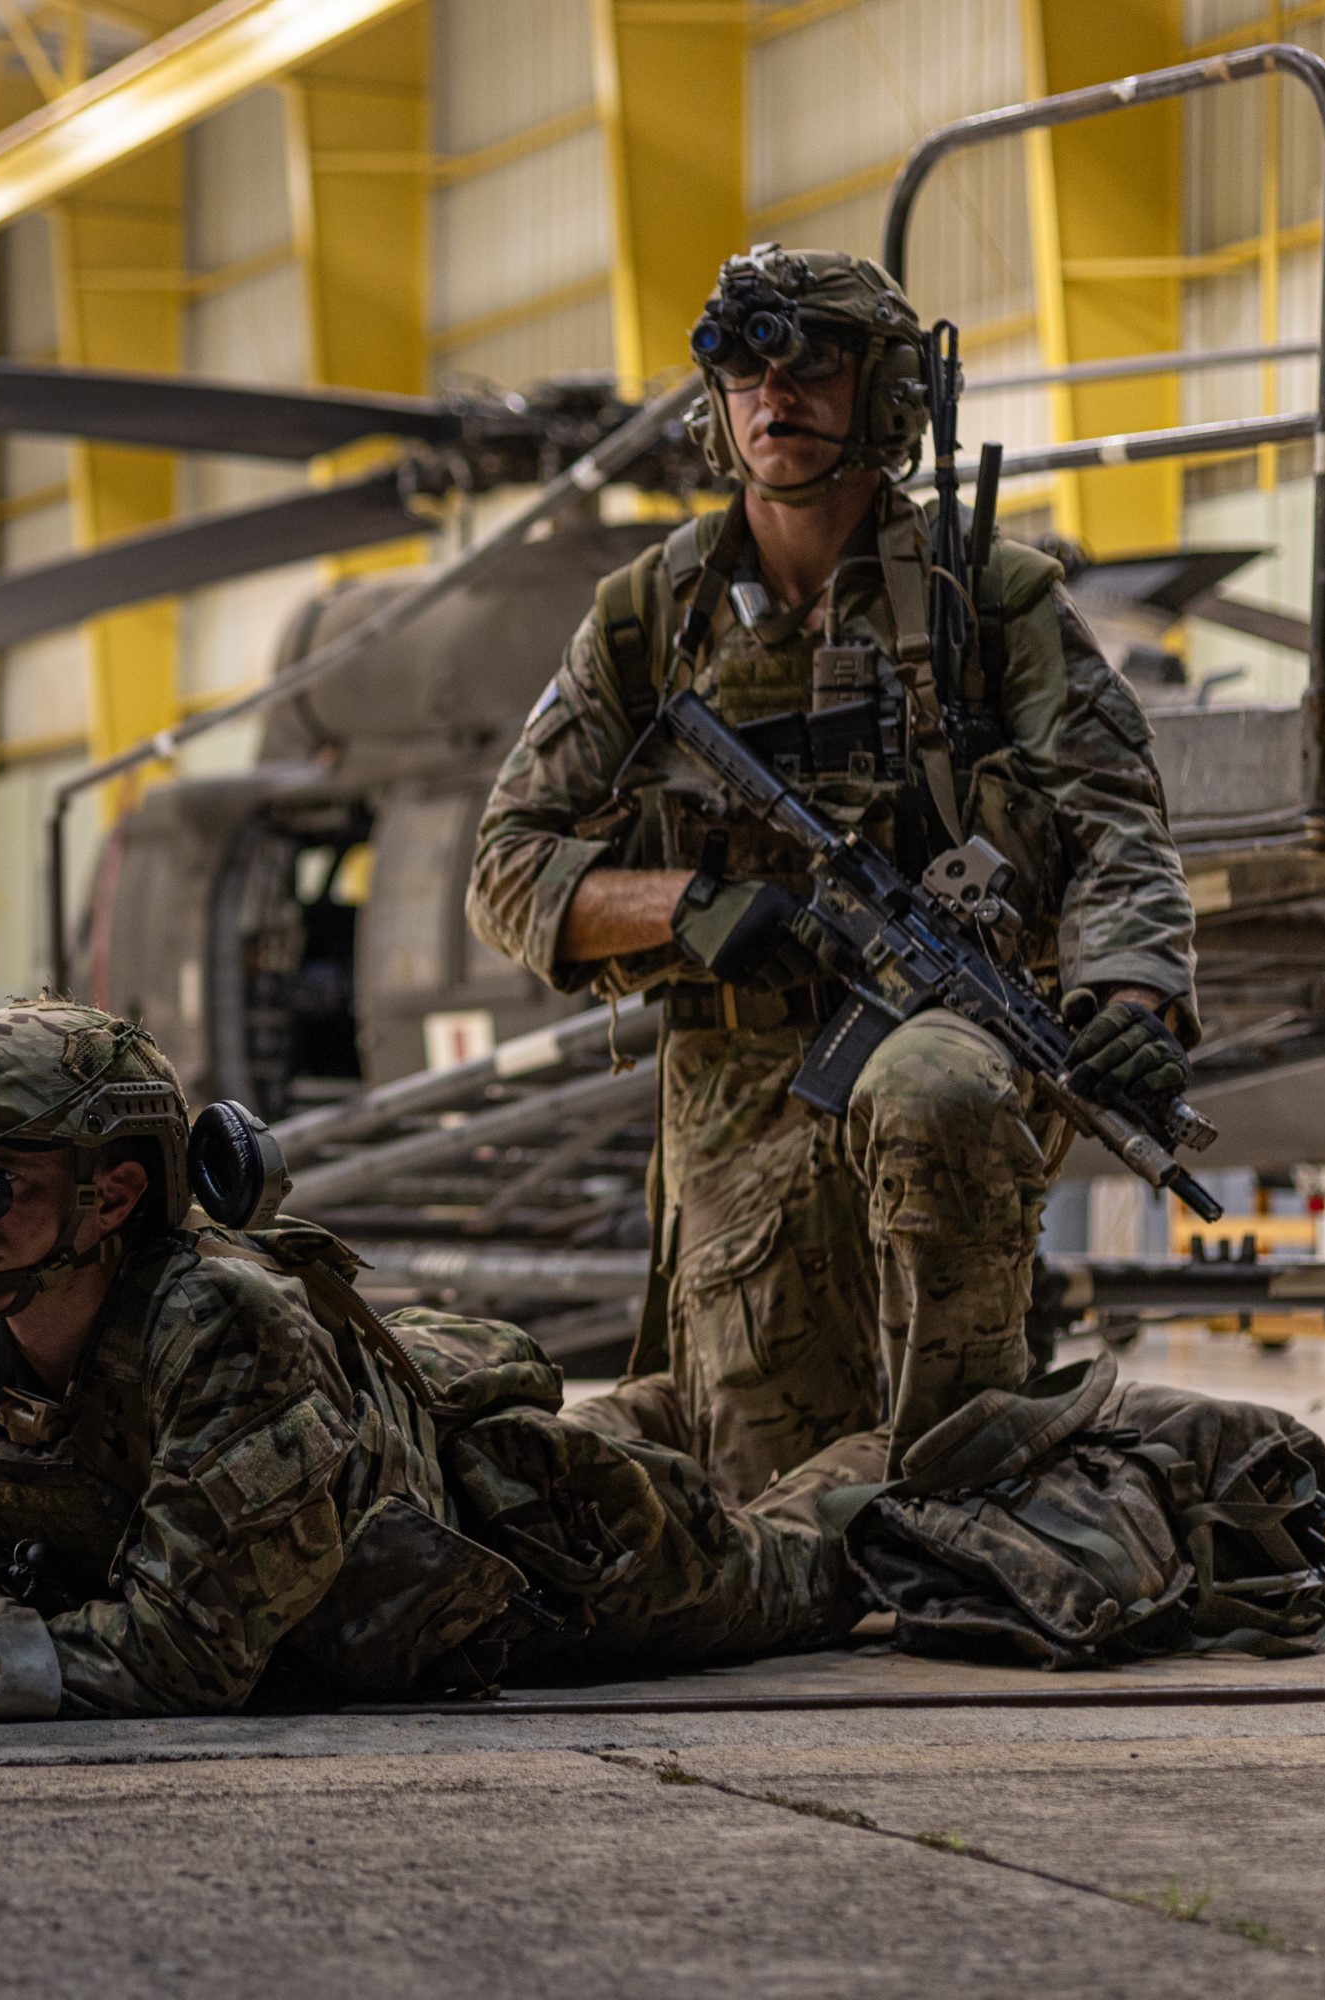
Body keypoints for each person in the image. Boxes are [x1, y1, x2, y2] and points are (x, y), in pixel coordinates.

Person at [466, 244, 1199, 1530]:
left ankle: (970, 1500)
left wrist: (1132, 997)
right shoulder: (647, 621)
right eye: (742, 366)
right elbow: (508, 868)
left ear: (887, 396)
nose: (772, 392)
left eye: (809, 360)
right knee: (760, 1484)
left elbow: (1112, 822)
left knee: (936, 1097)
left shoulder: (989, 599)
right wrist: (690, 912)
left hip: (943, 1041)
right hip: (734, 1103)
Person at [0, 998, 835, 1717]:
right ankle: (676, 1403)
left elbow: (181, 1656)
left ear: (114, 1192)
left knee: (820, 1558)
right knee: (671, 1413)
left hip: (521, 1546)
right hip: (336, 1481)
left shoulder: (220, 1321)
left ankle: (927, 1448)